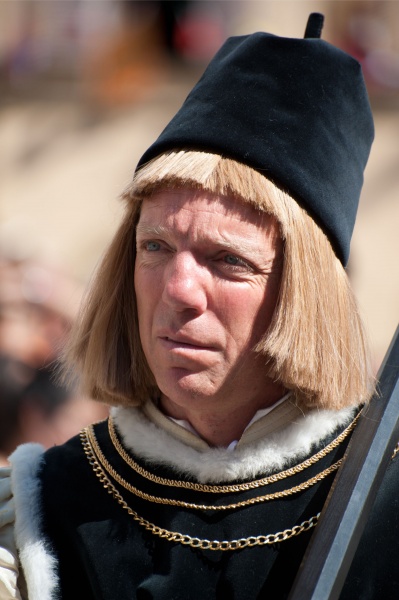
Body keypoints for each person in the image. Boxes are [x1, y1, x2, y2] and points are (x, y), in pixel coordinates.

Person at [1, 12, 397, 600]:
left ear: (302, 294)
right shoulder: (34, 515)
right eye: (155, 247)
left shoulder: (382, 504)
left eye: (227, 260)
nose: (178, 290)